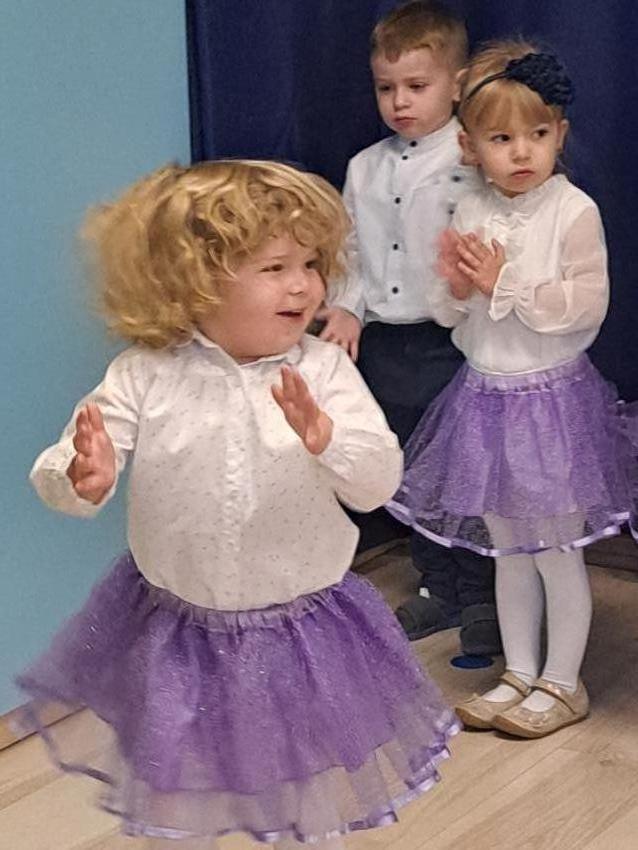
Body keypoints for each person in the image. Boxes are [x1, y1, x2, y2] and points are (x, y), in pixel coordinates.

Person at [18, 160, 459, 847]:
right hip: (177, 628)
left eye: (311, 264)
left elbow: (377, 483)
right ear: (194, 280)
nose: (304, 285)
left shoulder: (323, 370)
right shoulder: (144, 374)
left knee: (303, 781)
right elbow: (70, 461)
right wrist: (82, 475)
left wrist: (328, 440)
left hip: (301, 631)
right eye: (275, 267)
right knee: (180, 778)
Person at [387, 41, 638, 737]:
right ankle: (520, 671)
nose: (522, 151)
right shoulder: (470, 210)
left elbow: (584, 308)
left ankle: (564, 681)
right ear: (469, 147)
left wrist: (508, 284)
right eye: (501, 139)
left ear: (560, 133)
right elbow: (456, 321)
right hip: (486, 402)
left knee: (555, 550)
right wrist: (459, 289)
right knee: (508, 551)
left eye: (538, 133)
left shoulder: (573, 210)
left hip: (551, 406)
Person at [318, 1, 499, 655]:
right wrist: (347, 306)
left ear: (456, 84)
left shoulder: (475, 158)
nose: (399, 102)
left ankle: (482, 593)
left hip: (451, 340)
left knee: (464, 469)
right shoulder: (364, 166)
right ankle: (436, 585)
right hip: (387, 342)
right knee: (409, 467)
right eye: (386, 88)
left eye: (417, 86)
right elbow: (350, 251)